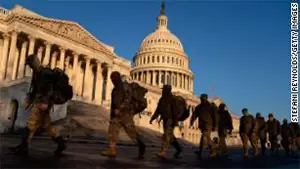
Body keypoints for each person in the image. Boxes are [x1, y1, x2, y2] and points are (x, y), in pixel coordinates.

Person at [9, 54, 66, 156]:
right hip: (39, 101)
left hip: (43, 102)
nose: (29, 66)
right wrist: (29, 101)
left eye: (30, 64)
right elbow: (34, 90)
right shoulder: (37, 74)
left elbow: (49, 89)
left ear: (35, 62)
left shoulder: (45, 72)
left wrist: (45, 102)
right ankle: (61, 144)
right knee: (47, 126)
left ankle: (23, 147)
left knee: (31, 123)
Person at [101, 71, 145, 158]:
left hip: (126, 115)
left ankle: (141, 145)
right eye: (111, 79)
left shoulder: (125, 86)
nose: (112, 80)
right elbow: (113, 104)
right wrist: (112, 115)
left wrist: (120, 108)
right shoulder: (115, 89)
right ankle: (112, 150)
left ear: (118, 78)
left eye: (114, 78)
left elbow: (127, 99)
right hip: (116, 116)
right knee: (112, 131)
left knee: (131, 133)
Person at [150, 85, 182, 159]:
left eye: (163, 89)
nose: (162, 91)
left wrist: (175, 121)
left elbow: (174, 111)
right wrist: (152, 118)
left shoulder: (172, 99)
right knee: (170, 137)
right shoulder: (162, 99)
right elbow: (158, 110)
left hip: (170, 119)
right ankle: (179, 149)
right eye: (162, 89)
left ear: (167, 90)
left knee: (166, 135)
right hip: (165, 119)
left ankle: (162, 151)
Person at [190, 94, 217, 158]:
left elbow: (214, 117)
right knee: (203, 137)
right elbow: (195, 114)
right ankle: (200, 151)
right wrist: (191, 121)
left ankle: (213, 150)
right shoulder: (199, 107)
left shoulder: (210, 107)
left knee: (206, 136)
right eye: (201, 98)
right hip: (202, 124)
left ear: (206, 98)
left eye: (203, 98)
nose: (201, 99)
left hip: (208, 124)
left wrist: (215, 125)